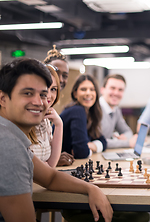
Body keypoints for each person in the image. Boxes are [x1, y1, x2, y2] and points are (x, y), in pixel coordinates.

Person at [0, 58, 113, 222]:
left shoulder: (10, 135)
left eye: (43, 94)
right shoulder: (8, 145)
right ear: (2, 98)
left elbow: (50, 178)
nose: (39, 102)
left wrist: (90, 188)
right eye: (28, 93)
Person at [28, 64, 67, 167]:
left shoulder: (45, 120)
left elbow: (51, 165)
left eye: (53, 89)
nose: (49, 95)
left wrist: (59, 124)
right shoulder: (23, 120)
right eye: (45, 89)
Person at [60, 74, 107, 159]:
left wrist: (93, 146)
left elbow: (103, 141)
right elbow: (81, 152)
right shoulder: (77, 111)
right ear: (75, 94)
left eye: (92, 89)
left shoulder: (89, 113)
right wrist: (89, 148)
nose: (88, 93)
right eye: (83, 89)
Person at [100, 74, 134, 148]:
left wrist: (124, 137)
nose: (116, 93)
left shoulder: (116, 110)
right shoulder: (95, 110)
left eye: (120, 90)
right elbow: (98, 142)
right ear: (102, 90)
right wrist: (126, 143)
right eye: (112, 88)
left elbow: (128, 131)